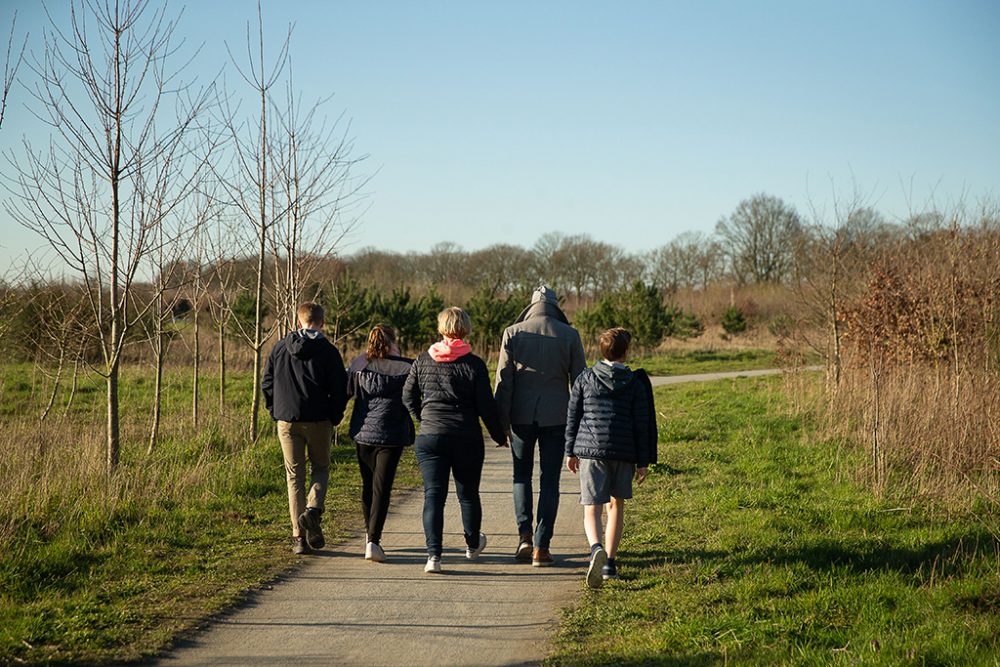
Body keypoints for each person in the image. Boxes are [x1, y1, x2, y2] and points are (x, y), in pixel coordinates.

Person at [403, 307, 508, 574]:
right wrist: (499, 435)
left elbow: (407, 396)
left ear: (441, 329)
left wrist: (423, 418)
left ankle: (434, 556)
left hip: (430, 436)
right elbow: (486, 405)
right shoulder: (473, 364)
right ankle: (472, 545)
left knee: (433, 496)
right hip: (466, 437)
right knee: (468, 495)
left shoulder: (423, 360)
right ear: (466, 329)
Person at [494, 285, 586, 566]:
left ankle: (524, 536)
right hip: (558, 417)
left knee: (520, 476)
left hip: (521, 416)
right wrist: (581, 425)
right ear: (556, 307)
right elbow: (580, 383)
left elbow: (503, 381)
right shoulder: (570, 335)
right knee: (550, 481)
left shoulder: (513, 332)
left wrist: (502, 421)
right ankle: (541, 547)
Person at [564, 327, 655, 588]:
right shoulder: (635, 383)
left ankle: (595, 548)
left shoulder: (584, 378)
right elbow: (642, 423)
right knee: (616, 506)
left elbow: (573, 416)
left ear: (601, 351)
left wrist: (570, 450)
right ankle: (609, 564)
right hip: (624, 451)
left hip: (591, 451)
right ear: (626, 353)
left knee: (591, 507)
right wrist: (643, 461)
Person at [262, 302, 348, 555]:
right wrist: (336, 416)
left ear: (299, 321)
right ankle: (312, 510)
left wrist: (275, 411)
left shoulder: (279, 348)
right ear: (321, 323)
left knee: (294, 476)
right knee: (320, 468)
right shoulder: (329, 351)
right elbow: (340, 388)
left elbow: (267, 382)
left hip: (287, 420)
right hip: (320, 420)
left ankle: (298, 538)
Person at [346, 324, 414, 563]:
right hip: (392, 434)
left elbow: (347, 391)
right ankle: (374, 541)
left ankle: (369, 537)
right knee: (382, 488)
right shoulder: (407, 366)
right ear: (393, 341)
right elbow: (416, 396)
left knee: (368, 486)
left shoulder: (358, 366)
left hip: (363, 433)